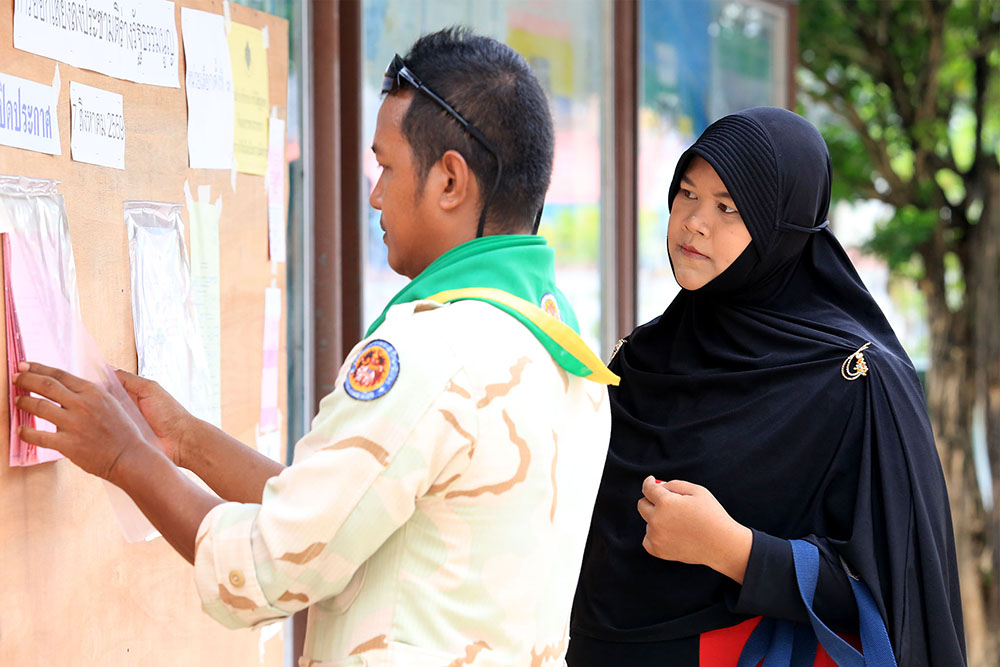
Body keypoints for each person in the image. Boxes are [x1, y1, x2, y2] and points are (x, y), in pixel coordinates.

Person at [14, 28, 617, 665]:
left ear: (450, 181)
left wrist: (123, 458)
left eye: (386, 167)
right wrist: (186, 441)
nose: (375, 195)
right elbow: (340, 514)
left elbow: (270, 566)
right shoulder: (564, 353)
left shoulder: (434, 350)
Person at [567, 107, 966, 666]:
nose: (695, 222)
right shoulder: (642, 357)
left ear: (784, 225)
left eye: (729, 207)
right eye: (687, 193)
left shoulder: (856, 378)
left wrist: (735, 551)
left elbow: (899, 591)